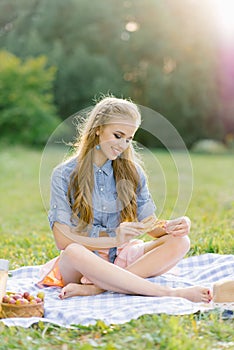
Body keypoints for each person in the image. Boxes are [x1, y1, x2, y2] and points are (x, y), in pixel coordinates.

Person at [39, 96, 212, 303]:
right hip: (82, 263)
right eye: (118, 135)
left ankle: (98, 288)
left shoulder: (133, 172)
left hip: (122, 258)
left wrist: (175, 226)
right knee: (73, 251)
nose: (123, 145)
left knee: (181, 241)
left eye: (129, 139)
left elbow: (151, 227)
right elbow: (63, 240)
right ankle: (169, 294)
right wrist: (114, 239)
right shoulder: (64, 174)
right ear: (97, 129)